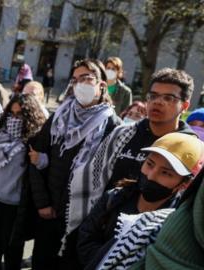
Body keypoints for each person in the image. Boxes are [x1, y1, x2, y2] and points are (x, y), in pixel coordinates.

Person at [27, 59, 121, 269]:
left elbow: (111, 178)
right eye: (75, 80)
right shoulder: (59, 118)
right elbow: (35, 157)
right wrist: (42, 203)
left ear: (102, 85)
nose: (80, 84)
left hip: (82, 220)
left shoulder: (113, 127)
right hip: (48, 213)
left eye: (86, 78)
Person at [78, 132, 204, 269]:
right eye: (150, 164)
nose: (150, 176)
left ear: (184, 184)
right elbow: (85, 240)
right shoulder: (114, 198)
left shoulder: (176, 222)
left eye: (165, 173)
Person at [84, 68, 196, 201]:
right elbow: (92, 178)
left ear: (185, 106)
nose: (158, 102)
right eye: (153, 96)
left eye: (168, 98)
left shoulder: (192, 149)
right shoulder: (122, 134)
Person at [0, 94, 46, 270]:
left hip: (14, 206)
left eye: (20, 115)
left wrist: (41, 160)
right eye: (12, 113)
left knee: (12, 252)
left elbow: (45, 168)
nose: (14, 118)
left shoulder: (34, 140)